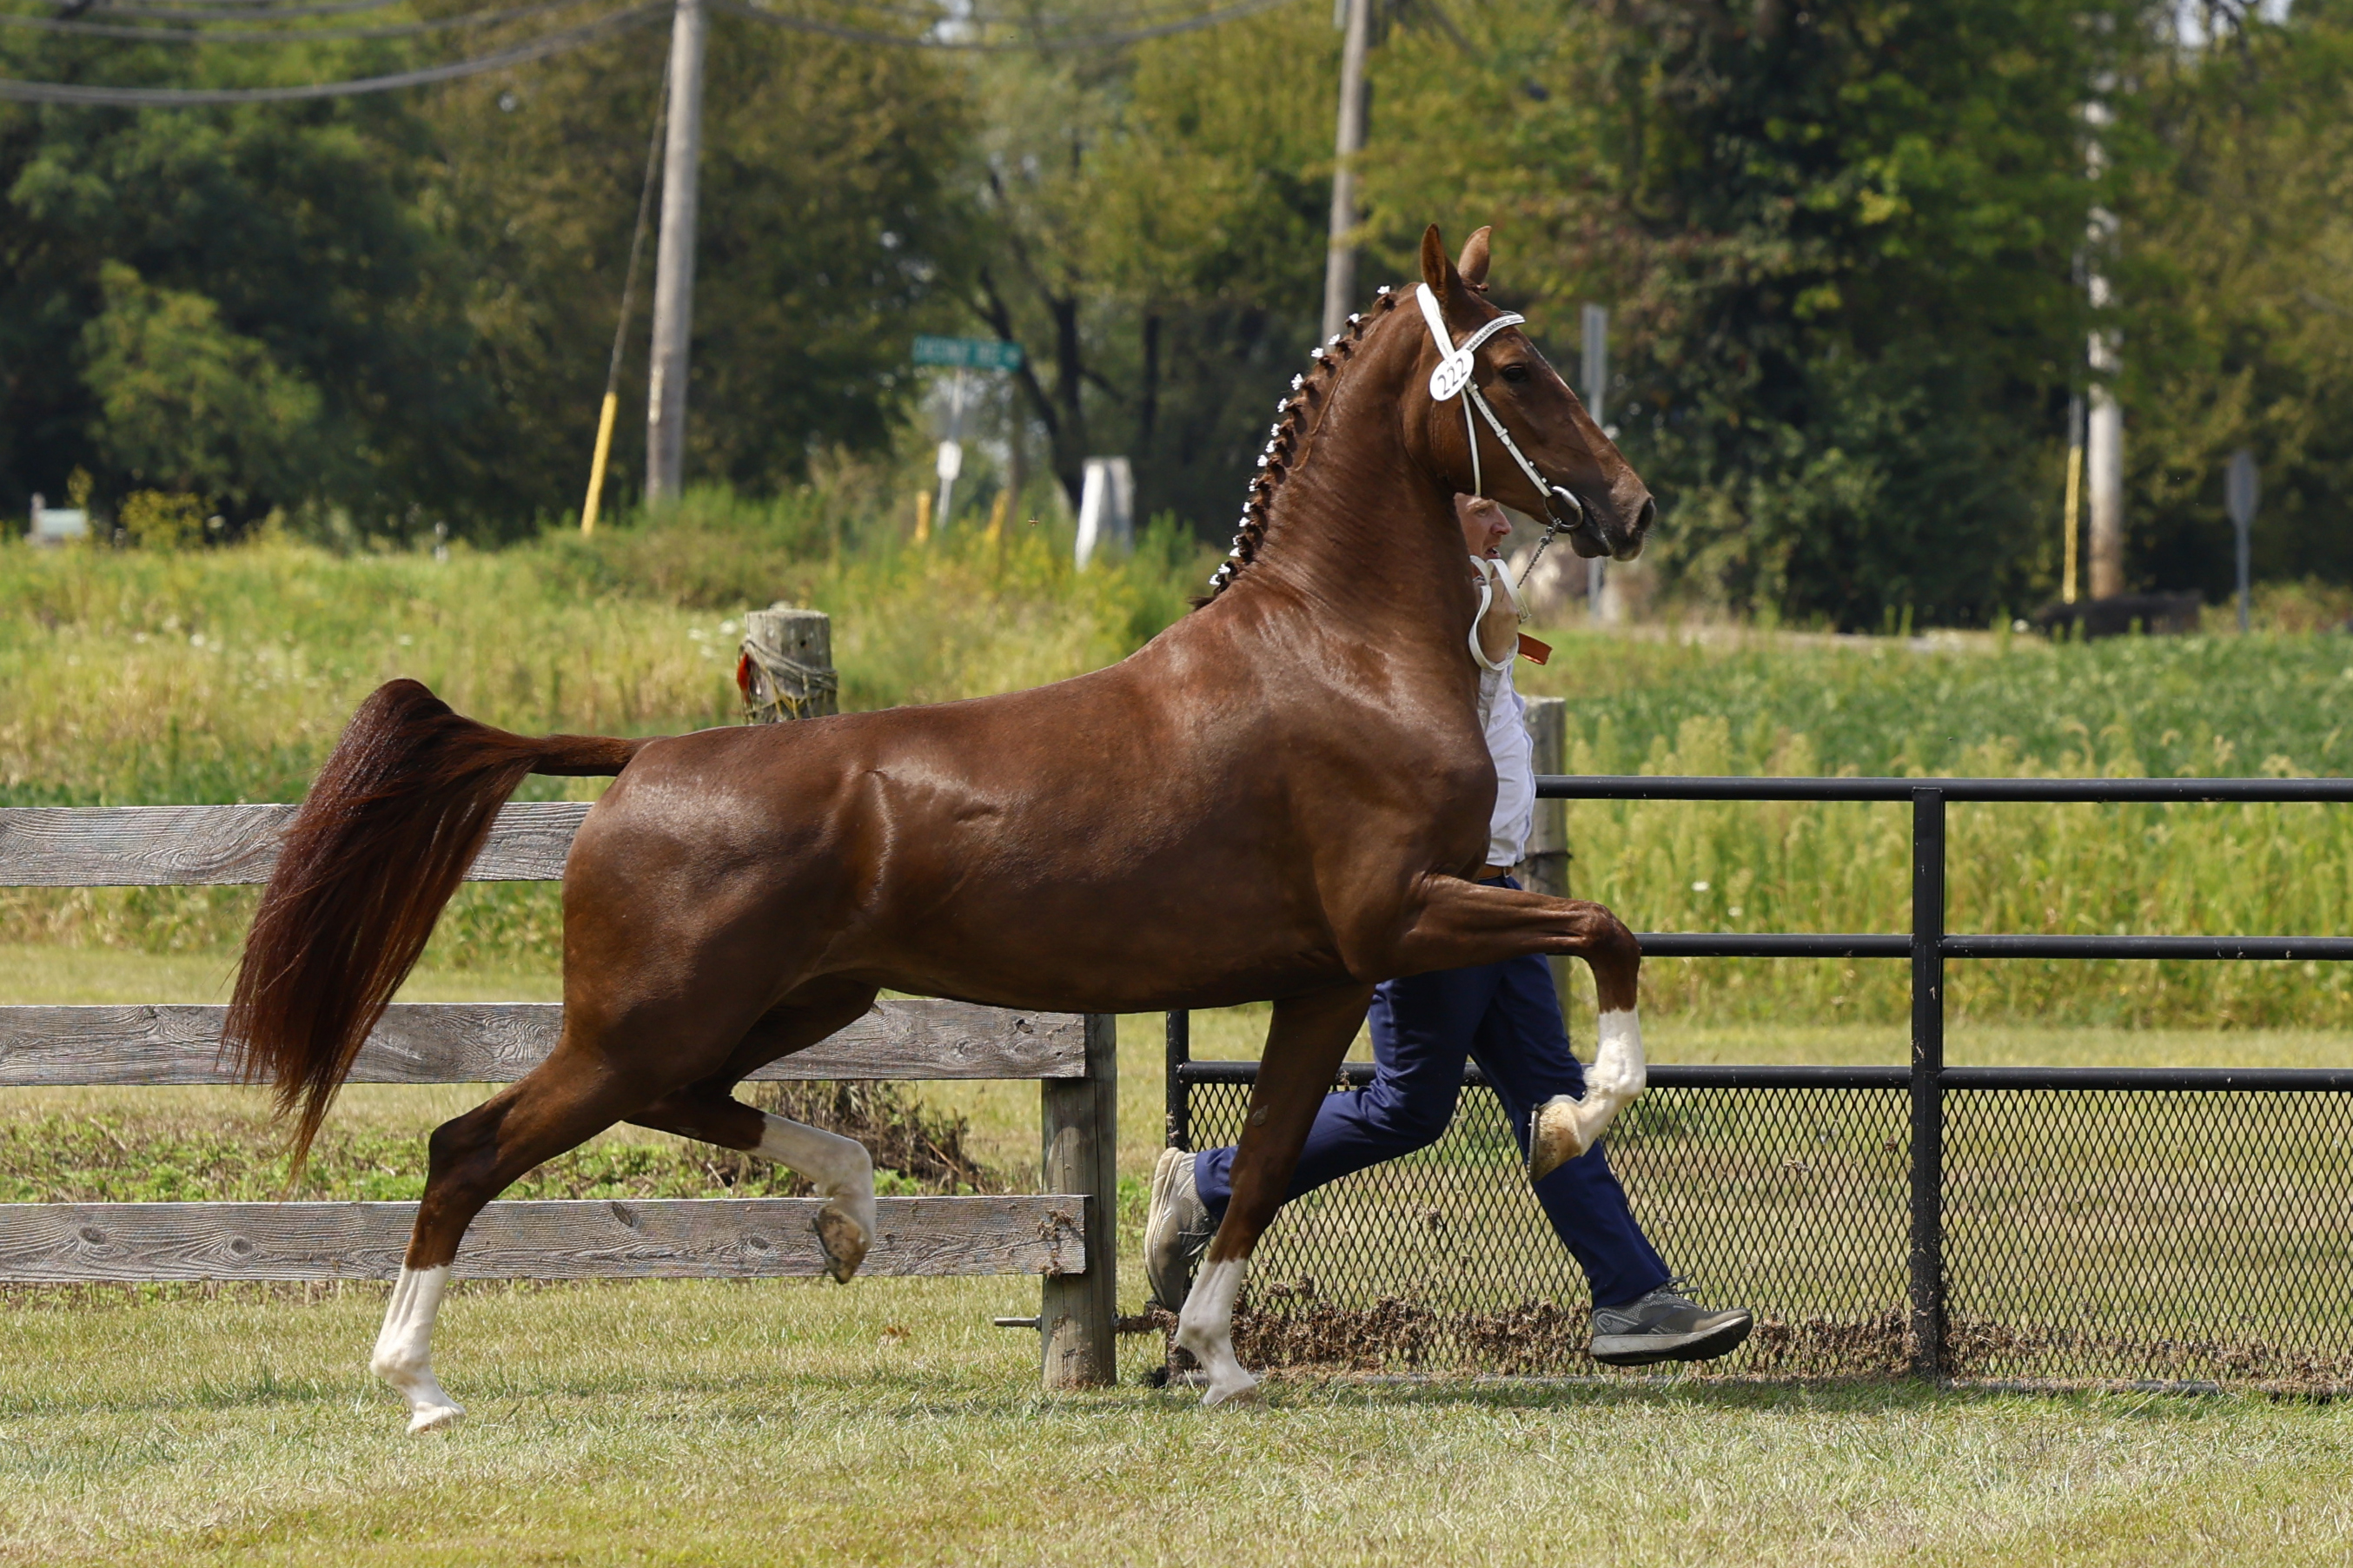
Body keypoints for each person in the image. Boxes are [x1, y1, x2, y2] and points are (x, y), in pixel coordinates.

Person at [1143, 495, 1753, 1367]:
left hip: (1492, 894)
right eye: (1481, 512)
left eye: (1505, 516)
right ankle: (1204, 1182)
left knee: (1550, 1096)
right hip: (1441, 897)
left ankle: (1628, 1296)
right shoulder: (1423, 597)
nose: (1502, 529)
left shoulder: (1461, 584)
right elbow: (1485, 635)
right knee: (1407, 1107)